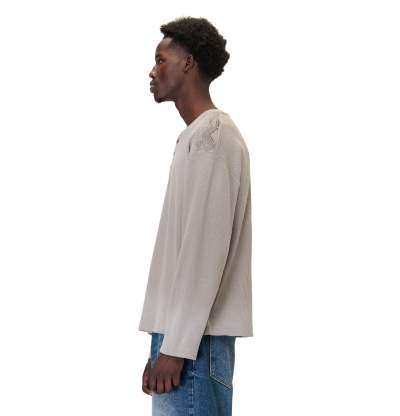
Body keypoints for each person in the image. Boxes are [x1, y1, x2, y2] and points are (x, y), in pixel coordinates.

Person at [138, 16, 253, 415]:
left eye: (161, 60)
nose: (152, 71)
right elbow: (179, 253)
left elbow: (204, 248)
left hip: (194, 345)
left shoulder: (213, 136)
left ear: (188, 63)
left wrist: (176, 347)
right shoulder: (195, 137)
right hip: (183, 338)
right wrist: (162, 344)